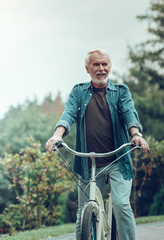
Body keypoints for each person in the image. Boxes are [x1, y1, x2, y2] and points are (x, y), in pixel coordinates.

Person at [45, 48, 149, 240]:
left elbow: (129, 115)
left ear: (109, 66)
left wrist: (135, 135)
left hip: (118, 160)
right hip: (89, 163)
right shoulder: (79, 92)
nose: (101, 68)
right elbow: (68, 115)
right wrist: (57, 135)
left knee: (120, 204)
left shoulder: (120, 92)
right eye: (96, 64)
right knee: (83, 212)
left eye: (104, 64)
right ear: (87, 69)